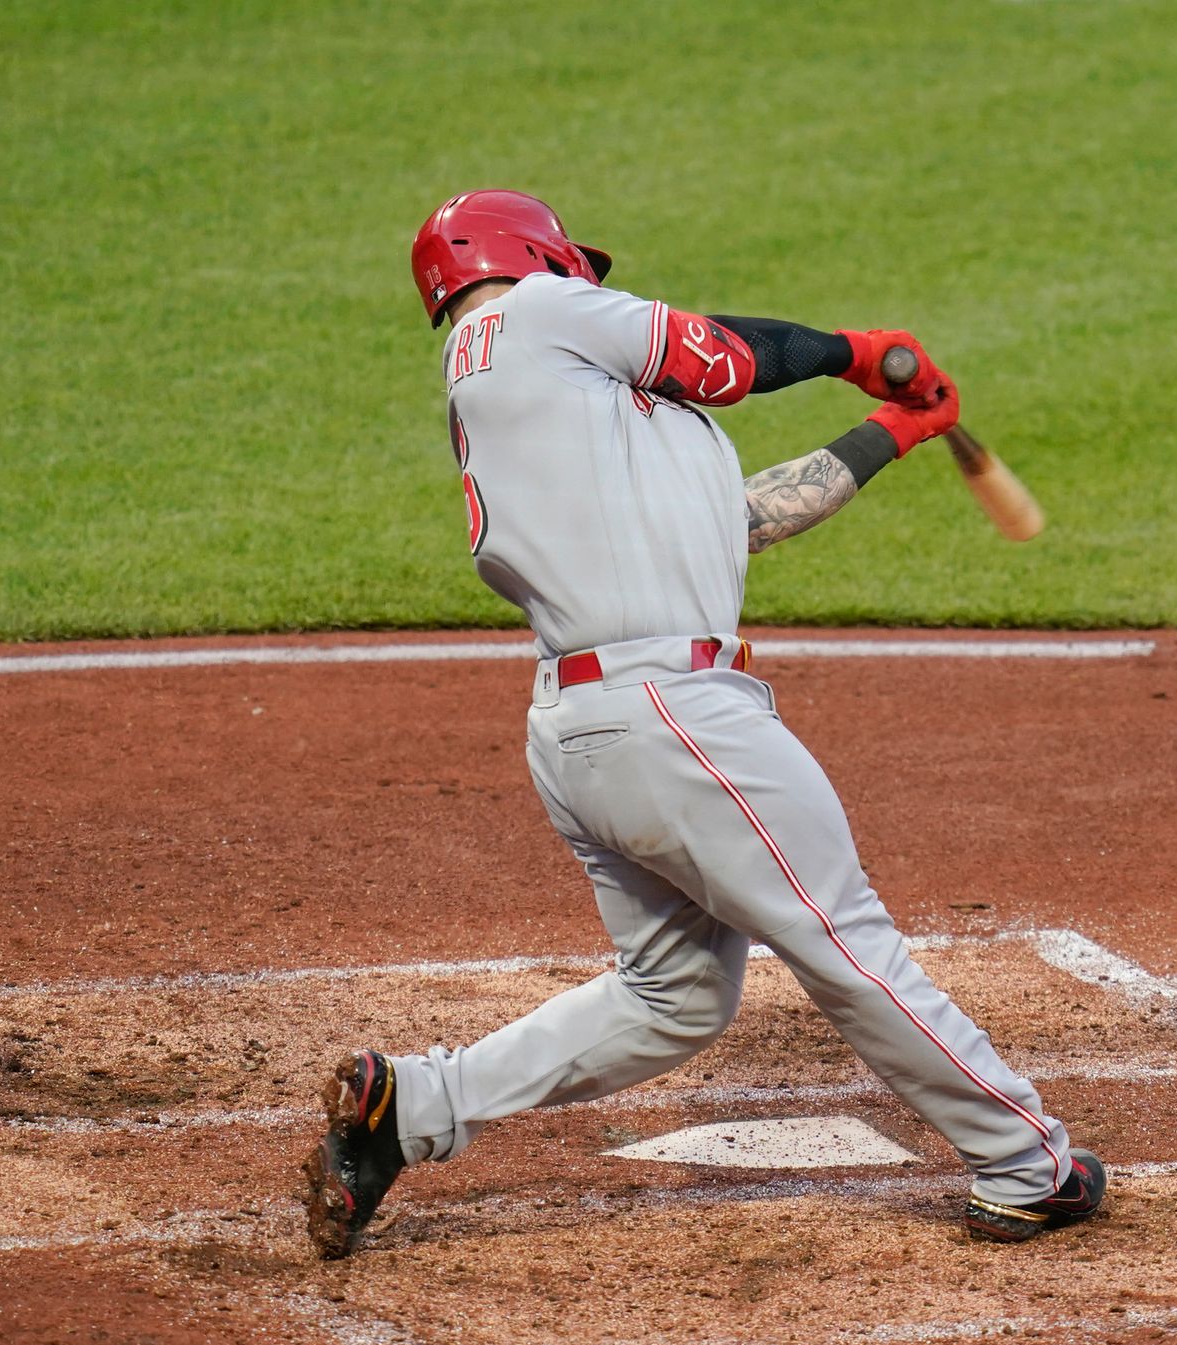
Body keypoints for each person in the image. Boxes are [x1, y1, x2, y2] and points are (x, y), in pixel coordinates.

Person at [300, 189, 1105, 1258]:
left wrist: (891, 430)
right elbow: (723, 354)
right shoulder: (535, 315)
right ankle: (1026, 1164)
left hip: (588, 728)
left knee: (672, 996)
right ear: (538, 256)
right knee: (843, 940)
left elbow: (738, 522)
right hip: (674, 718)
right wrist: (855, 349)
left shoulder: (551, 406)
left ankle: (411, 1108)